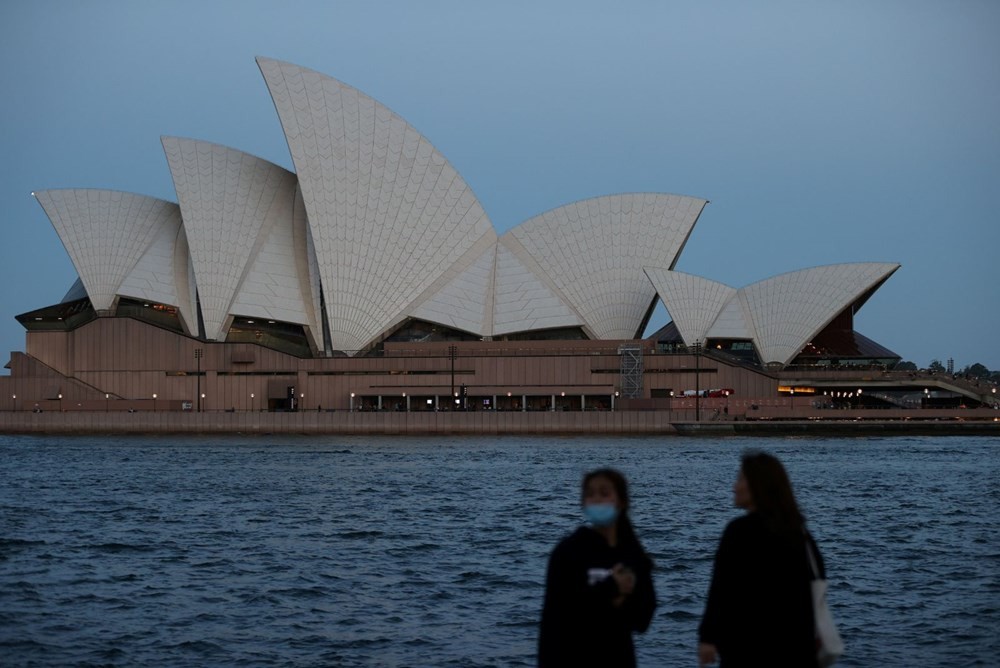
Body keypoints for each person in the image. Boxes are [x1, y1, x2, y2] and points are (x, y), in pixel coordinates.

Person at [698, 451, 825, 667]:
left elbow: (721, 589)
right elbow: (817, 585)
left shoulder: (738, 531)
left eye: (740, 479)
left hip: (746, 649)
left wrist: (708, 637)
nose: (734, 486)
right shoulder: (800, 534)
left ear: (757, 485)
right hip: (796, 649)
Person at [538, 468, 656, 667]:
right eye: (590, 494)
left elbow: (642, 620)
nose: (597, 499)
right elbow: (558, 616)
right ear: (583, 503)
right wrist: (612, 588)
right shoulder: (568, 552)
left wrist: (623, 600)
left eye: (604, 493)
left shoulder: (633, 555)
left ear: (621, 501)